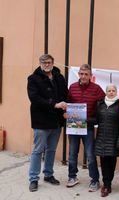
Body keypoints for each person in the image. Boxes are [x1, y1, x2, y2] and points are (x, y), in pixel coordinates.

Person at [27, 54, 68, 192]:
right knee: (38, 150)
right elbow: (34, 98)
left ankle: (48, 174)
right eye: (43, 62)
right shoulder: (33, 79)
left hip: (56, 121)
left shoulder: (59, 77)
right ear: (40, 63)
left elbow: (65, 95)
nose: (46, 64)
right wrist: (54, 104)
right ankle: (33, 179)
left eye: (48, 62)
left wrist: (67, 108)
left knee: (51, 149)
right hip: (41, 121)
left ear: (53, 63)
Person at [65, 64, 105, 192]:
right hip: (73, 126)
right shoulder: (72, 87)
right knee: (72, 154)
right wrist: (65, 113)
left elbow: (106, 102)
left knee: (90, 155)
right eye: (81, 74)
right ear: (79, 74)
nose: (83, 76)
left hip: (88, 127)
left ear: (90, 76)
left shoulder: (96, 89)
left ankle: (95, 180)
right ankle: (72, 177)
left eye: (86, 74)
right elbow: (67, 103)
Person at [94, 84, 119, 197]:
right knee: (103, 163)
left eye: (113, 90)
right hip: (101, 139)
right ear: (106, 92)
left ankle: (108, 184)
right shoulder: (100, 104)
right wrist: (82, 119)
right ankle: (106, 185)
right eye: (109, 90)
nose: (111, 92)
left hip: (114, 140)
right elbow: (96, 120)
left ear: (116, 92)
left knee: (111, 164)